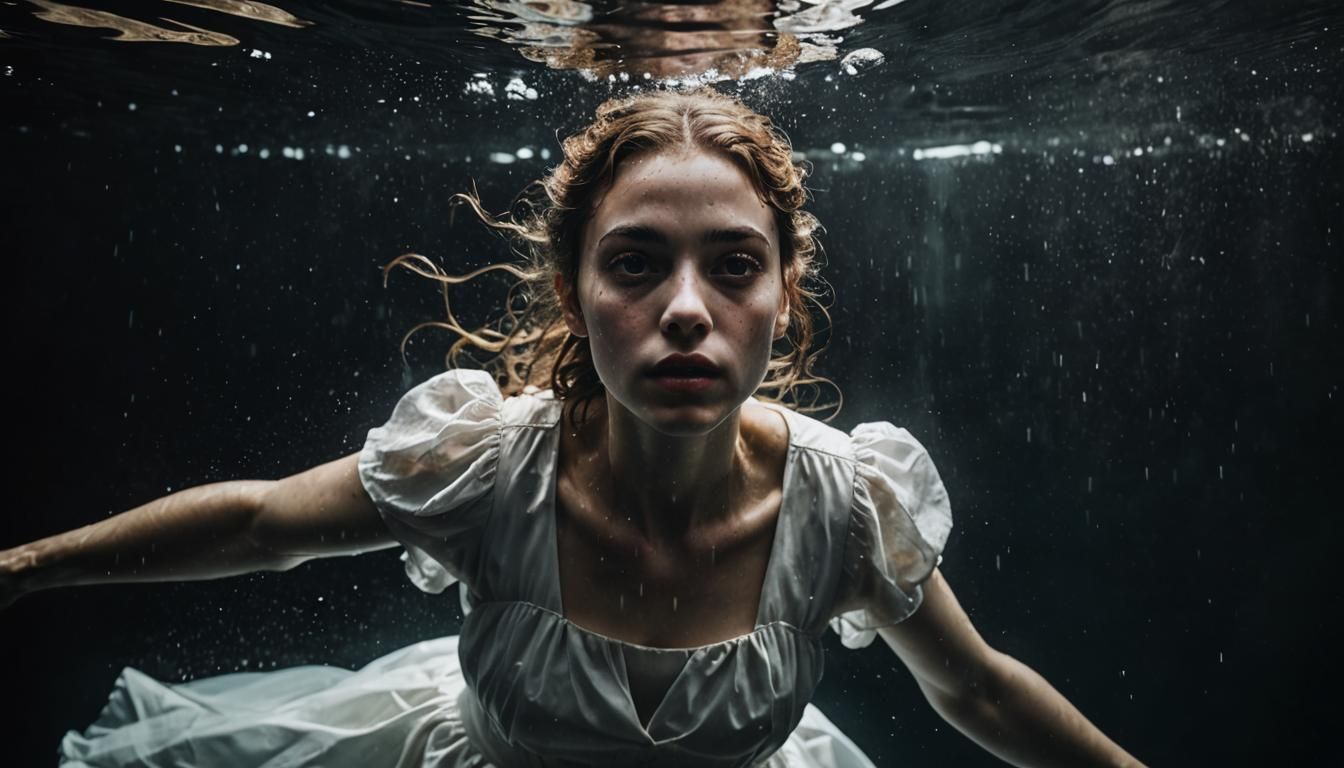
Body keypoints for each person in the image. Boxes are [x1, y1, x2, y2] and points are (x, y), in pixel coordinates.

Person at [0, 89, 1146, 768]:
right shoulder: (486, 466)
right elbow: (262, 524)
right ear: (574, 291)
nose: (688, 309)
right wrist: (24, 568)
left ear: (784, 297)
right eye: (638, 263)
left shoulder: (846, 506)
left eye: (735, 266)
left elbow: (980, 690)